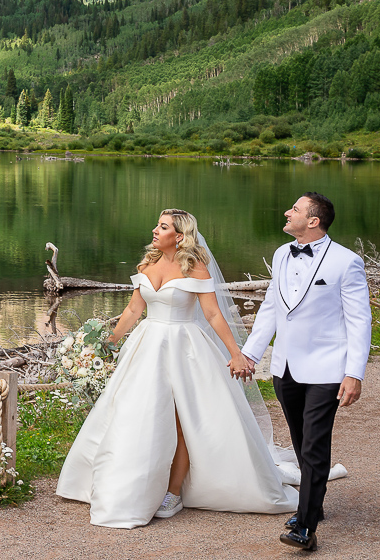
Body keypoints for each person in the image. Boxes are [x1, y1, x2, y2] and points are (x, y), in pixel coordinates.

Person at [56, 209, 297, 528]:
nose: (155, 230)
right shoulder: (146, 264)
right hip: (146, 346)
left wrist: (236, 353)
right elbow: (133, 309)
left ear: (180, 236)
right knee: (134, 413)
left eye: (163, 226)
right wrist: (108, 343)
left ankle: (173, 492)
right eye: (157, 224)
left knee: (183, 421)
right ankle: (128, 484)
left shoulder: (195, 266)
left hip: (185, 348)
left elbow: (212, 315)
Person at [238, 192, 371, 552]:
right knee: (299, 441)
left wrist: (354, 373)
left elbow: (360, 321)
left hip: (328, 369)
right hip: (285, 368)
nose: (287, 212)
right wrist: (250, 353)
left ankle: (305, 526)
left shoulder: (346, 262)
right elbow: (270, 308)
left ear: (313, 221)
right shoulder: (282, 254)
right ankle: (314, 502)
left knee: (314, 444)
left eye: (294, 209)